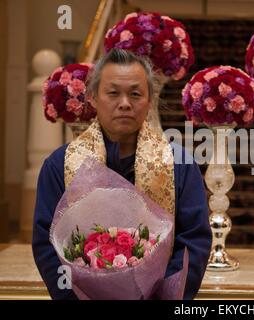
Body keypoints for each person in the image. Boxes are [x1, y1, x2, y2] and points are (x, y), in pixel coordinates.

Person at [32, 48, 212, 300]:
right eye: (113, 93)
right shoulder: (59, 164)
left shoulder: (179, 164)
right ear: (93, 97)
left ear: (150, 100)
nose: (125, 103)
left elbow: (193, 242)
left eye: (136, 94)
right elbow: (46, 244)